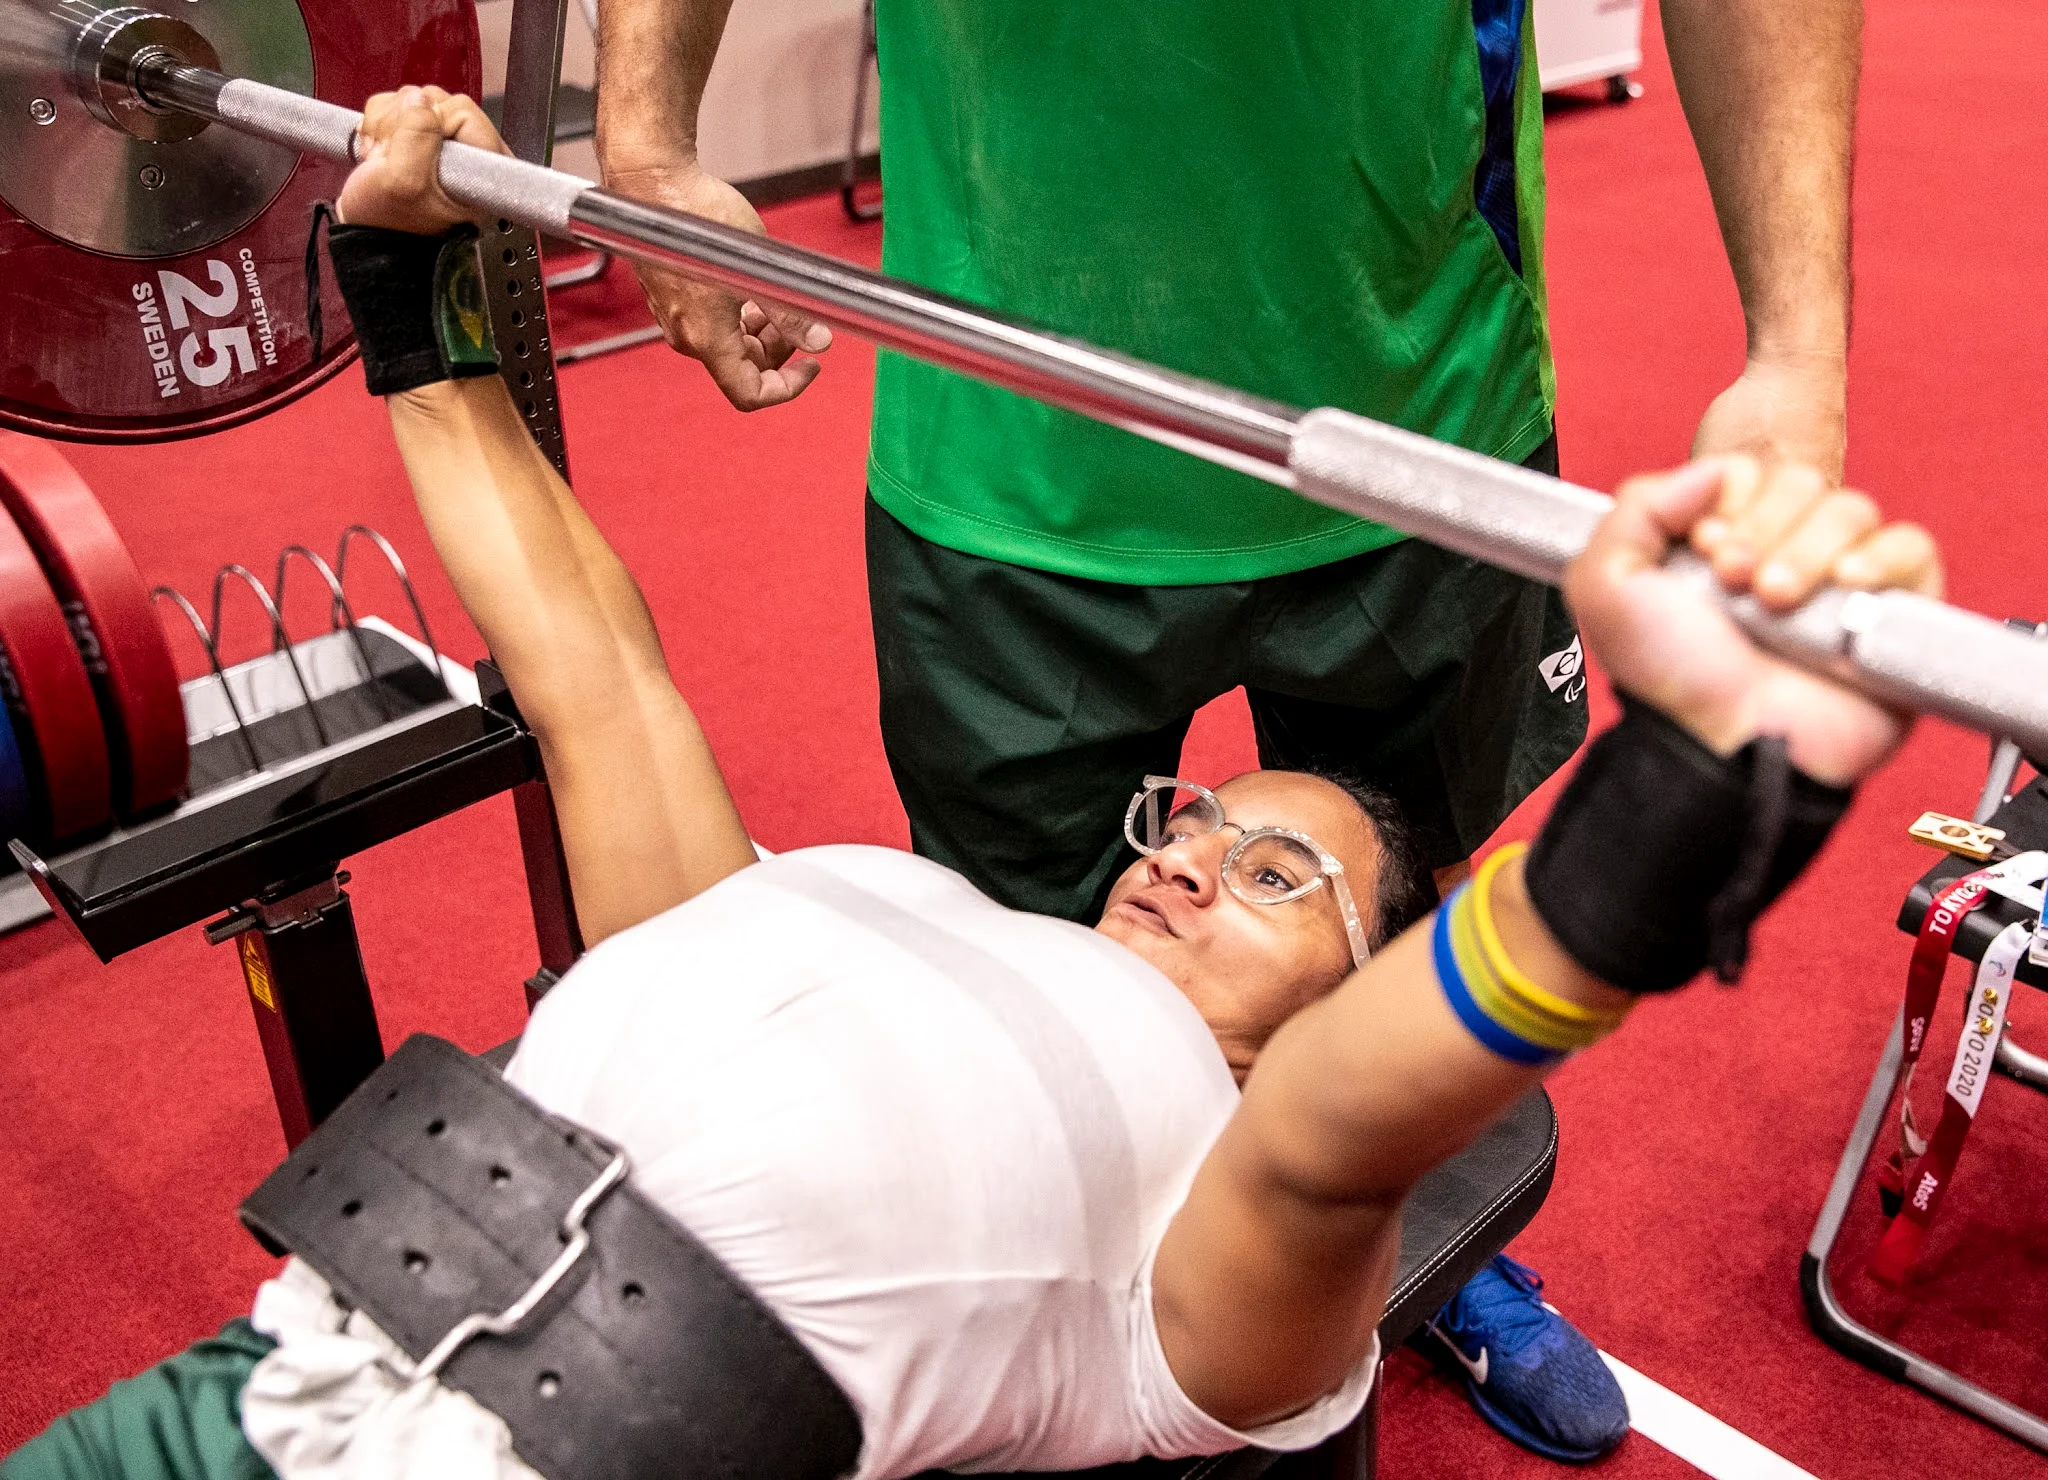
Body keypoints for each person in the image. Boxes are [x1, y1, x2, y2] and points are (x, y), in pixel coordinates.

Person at [4, 94, 1935, 1480]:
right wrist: (404, 294)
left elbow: (1354, 1125)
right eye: (1200, 825)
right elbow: (597, 675)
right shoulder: (835, 898)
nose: (1192, 853)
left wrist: (1680, 793)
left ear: (1330, 1005)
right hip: (250, 1396)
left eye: (1279, 879)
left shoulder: (1213, 1224)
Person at [594, 1, 1862, 1451]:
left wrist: (1797, 347)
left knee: (1375, 918)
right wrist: (640, 137)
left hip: (1416, 395)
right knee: (1022, 980)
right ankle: (1028, 1352)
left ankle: (1396, 1241)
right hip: (1011, 424)